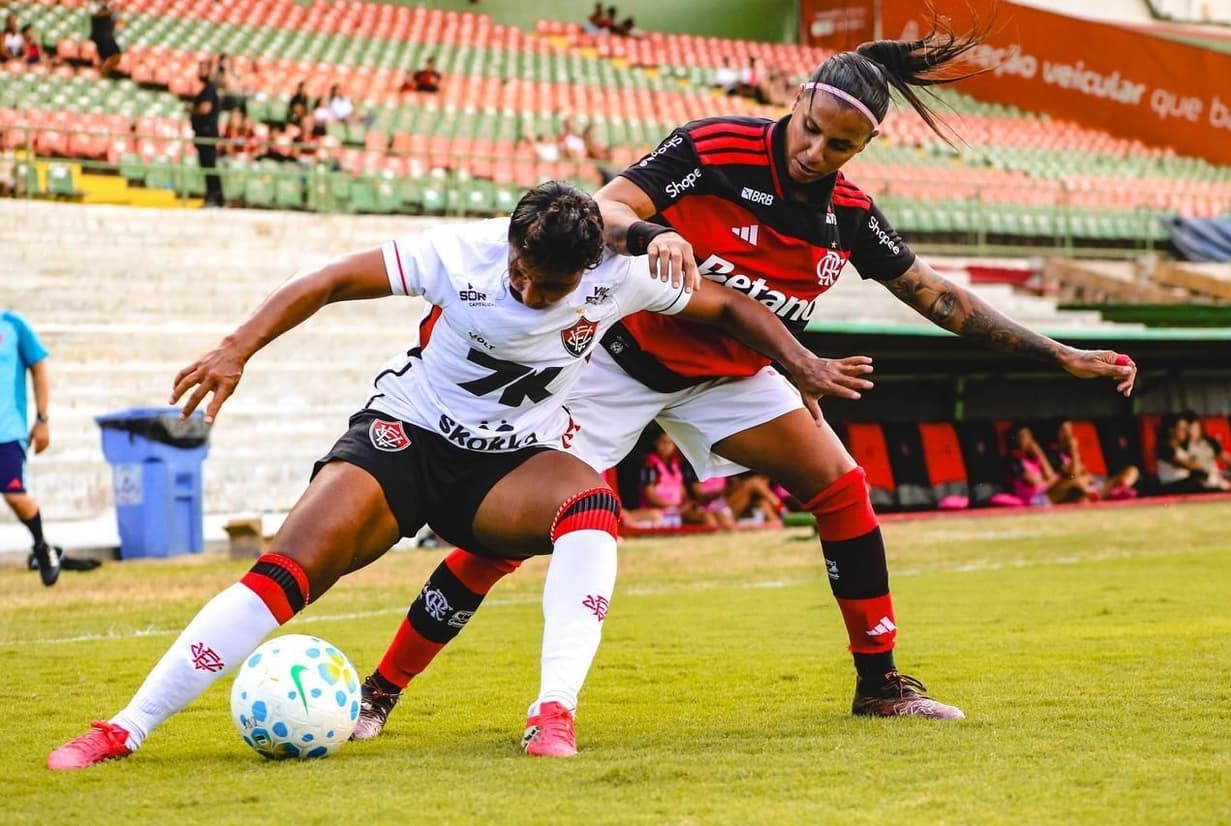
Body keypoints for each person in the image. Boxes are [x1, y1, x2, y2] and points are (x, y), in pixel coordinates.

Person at [354, 17, 1140, 755]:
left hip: (729, 378)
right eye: (810, 130)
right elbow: (606, 208)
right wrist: (655, 233)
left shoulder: (849, 216)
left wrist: (1059, 354)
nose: (815, 152)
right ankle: (381, 691)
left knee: (841, 486)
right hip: (616, 363)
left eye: (839, 145)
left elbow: (939, 297)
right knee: (503, 541)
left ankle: (880, 684)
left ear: (865, 146)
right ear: (796, 102)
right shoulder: (715, 147)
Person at [45, 181, 852, 770]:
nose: (529, 290)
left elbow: (729, 308)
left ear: (588, 271)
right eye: (522, 272)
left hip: (506, 467)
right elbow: (329, 281)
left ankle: (553, 712)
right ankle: (123, 728)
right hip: (406, 439)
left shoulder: (618, 275)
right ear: (510, 244)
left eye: (550, 287)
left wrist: (800, 363)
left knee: (592, 504)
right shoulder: (458, 255)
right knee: (288, 571)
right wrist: (236, 348)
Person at [1, 310, 59, 586]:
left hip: (7, 431)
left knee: (15, 497)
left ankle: (41, 546)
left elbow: (39, 366)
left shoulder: (12, 325)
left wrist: (42, 419)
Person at [1049, 419, 1139, 502]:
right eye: (1064, 430)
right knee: (1077, 482)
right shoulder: (1056, 455)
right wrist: (1074, 451)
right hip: (1075, 487)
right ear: (1058, 434)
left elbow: (1084, 471)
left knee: (1132, 470)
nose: (1068, 434)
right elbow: (1072, 475)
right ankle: (1100, 496)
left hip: (1093, 484)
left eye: (1070, 429)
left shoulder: (1070, 452)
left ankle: (1118, 490)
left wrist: (1087, 475)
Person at [1155, 413, 1220, 494]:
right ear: (1172, 430)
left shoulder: (1181, 448)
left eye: (1186, 429)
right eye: (1182, 429)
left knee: (1204, 478)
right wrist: (1205, 470)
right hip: (1171, 485)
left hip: (1185, 482)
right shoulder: (1164, 447)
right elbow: (1186, 465)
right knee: (1200, 477)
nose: (1186, 432)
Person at [189, 60, 224, 207]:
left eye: (204, 69)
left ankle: (214, 196)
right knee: (208, 166)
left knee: (209, 166)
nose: (201, 72)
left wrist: (191, 109)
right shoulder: (207, 89)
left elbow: (205, 108)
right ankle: (215, 196)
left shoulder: (209, 89)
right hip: (203, 133)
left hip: (207, 134)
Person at [1183, 411, 1231, 487]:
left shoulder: (1210, 441)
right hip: (1195, 480)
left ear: (1199, 426)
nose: (1190, 431)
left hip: (1215, 479)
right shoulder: (1183, 445)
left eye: (1192, 427)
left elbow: (1228, 459)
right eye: (1186, 428)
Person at [89, 1, 123, 79]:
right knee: (106, 57)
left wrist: (118, 25)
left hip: (109, 36)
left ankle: (104, 74)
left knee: (116, 56)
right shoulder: (94, 3)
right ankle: (101, 75)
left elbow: (118, 20)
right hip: (99, 36)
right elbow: (94, 14)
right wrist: (110, 11)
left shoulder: (111, 6)